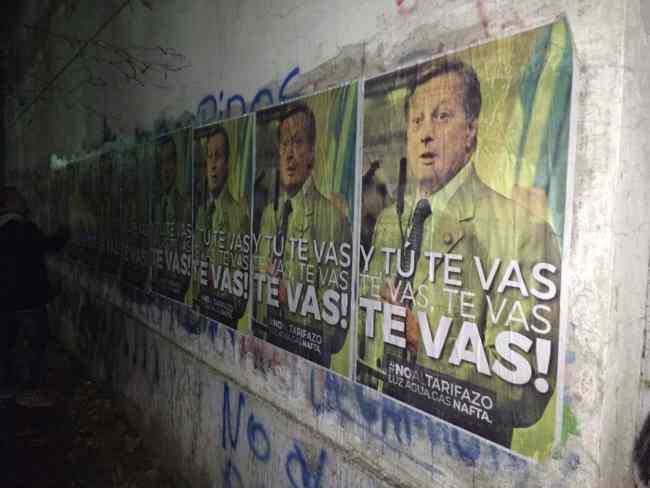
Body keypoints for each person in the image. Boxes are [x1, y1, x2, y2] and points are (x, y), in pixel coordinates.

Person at [358, 58, 561, 447]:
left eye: (441, 116)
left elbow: (524, 394)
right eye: (416, 121)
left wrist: (424, 342)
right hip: (379, 431)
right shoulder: (389, 222)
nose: (425, 134)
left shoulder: (524, 233)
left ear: (470, 130)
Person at [254, 104, 350, 368]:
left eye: (297, 142)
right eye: (284, 144)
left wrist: (291, 299)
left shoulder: (333, 219)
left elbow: (334, 332)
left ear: (311, 153)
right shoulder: (270, 216)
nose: (289, 154)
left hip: (306, 369)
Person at [0, 186, 69, 394]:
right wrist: (65, 230)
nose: (24, 200)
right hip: (28, 300)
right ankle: (28, 388)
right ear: (8, 203)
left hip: (4, 301)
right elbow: (49, 245)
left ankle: (8, 385)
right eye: (19, 198)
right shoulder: (23, 228)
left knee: (7, 345)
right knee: (34, 344)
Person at [191, 125, 250, 328]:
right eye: (209, 157)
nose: (213, 164)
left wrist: (216, 286)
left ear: (228, 164)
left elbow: (239, 300)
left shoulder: (239, 217)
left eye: (218, 156)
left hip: (222, 327)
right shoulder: (202, 213)